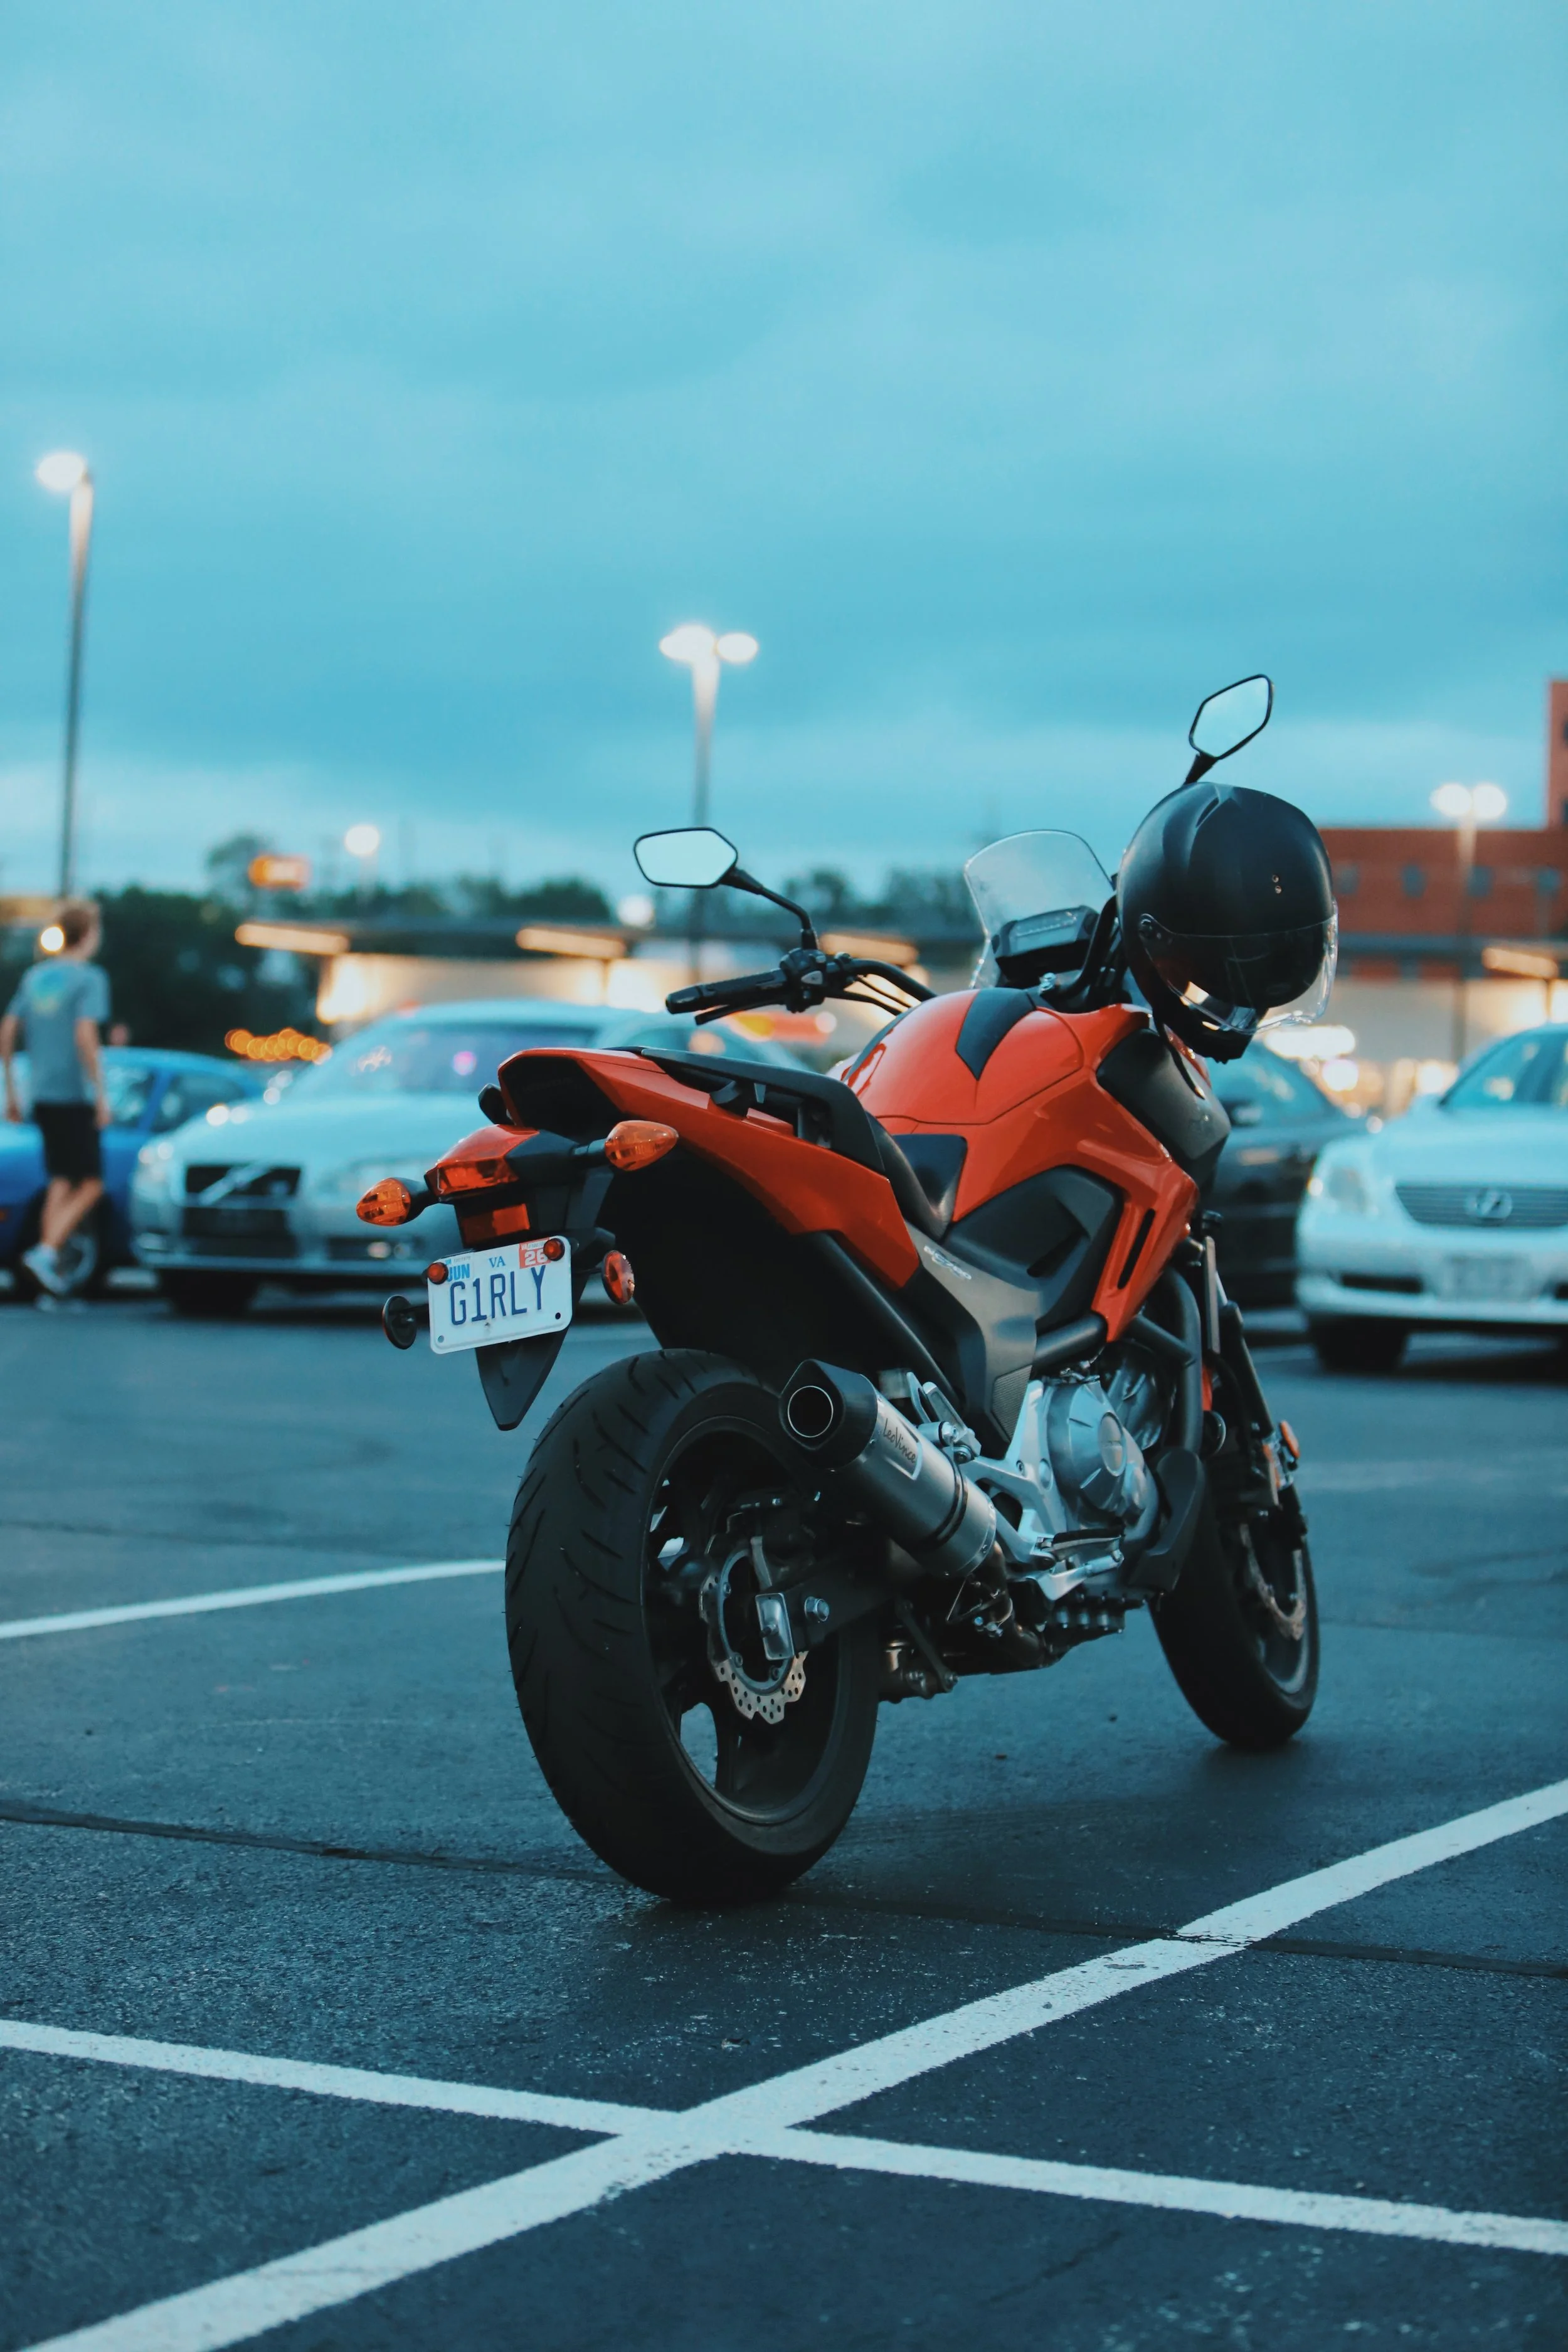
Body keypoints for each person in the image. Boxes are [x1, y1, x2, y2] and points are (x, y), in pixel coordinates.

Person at [1, 903, 112, 1300]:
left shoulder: (36, 977)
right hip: (74, 1095)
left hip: (42, 1094)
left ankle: (47, 1271)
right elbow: (86, 1034)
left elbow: (9, 1028)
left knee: (62, 1180)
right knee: (93, 1183)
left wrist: (14, 1092)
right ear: (90, 933)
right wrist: (101, 1093)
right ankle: (47, 1251)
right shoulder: (89, 978)